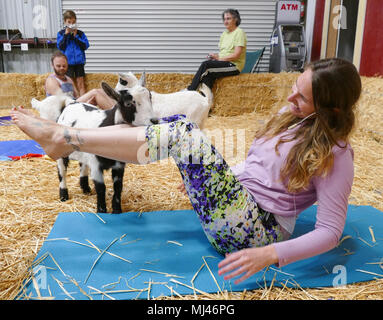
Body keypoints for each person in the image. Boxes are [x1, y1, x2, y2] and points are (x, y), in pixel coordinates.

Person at [11, 58, 361, 285]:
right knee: (177, 127)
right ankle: (70, 141)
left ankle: (64, 137)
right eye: (294, 89)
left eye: (301, 98)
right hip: (235, 210)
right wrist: (210, 181)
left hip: (257, 235)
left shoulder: (337, 153)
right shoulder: (294, 122)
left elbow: (330, 231)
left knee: (183, 135)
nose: (289, 101)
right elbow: (255, 169)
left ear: (330, 107)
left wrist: (270, 255)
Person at [187, 9, 247, 91]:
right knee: (207, 75)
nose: (225, 21)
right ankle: (205, 98)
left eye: (228, 19)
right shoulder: (224, 34)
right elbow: (223, 53)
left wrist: (219, 59)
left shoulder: (239, 32)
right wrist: (216, 57)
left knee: (206, 65)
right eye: (224, 19)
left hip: (233, 66)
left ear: (235, 19)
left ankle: (190, 90)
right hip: (223, 62)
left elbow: (236, 55)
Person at [46, 51, 115, 110]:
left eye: (64, 66)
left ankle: (117, 109)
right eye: (58, 66)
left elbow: (77, 97)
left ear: (67, 65)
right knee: (95, 92)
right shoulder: (51, 80)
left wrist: (87, 103)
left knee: (100, 91)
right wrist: (84, 104)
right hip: (63, 110)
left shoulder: (69, 79)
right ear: (52, 65)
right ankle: (115, 114)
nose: (62, 68)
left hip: (72, 105)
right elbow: (62, 101)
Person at [57, 10, 89, 96]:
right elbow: (60, 47)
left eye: (73, 22)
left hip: (79, 62)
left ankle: (83, 102)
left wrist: (76, 36)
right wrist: (66, 35)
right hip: (67, 63)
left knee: (80, 83)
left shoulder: (80, 33)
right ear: (65, 22)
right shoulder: (61, 33)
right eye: (69, 22)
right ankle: (72, 103)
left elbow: (85, 46)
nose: (71, 24)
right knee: (70, 84)